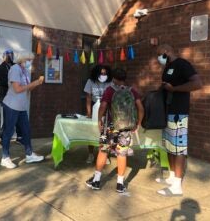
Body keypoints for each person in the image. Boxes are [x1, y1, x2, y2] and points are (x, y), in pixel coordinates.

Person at [86, 68, 144, 192]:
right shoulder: (132, 91)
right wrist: (138, 123)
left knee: (103, 151)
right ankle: (120, 184)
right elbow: (140, 107)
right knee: (122, 154)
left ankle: (96, 181)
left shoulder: (110, 90)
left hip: (110, 127)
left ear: (114, 79)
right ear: (125, 78)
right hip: (126, 128)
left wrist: (99, 120)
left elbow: (103, 106)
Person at [155, 44, 202, 197]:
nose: (158, 58)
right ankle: (171, 176)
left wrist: (174, 89)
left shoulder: (182, 64)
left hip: (178, 113)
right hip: (167, 112)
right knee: (169, 146)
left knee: (179, 148)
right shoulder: (168, 66)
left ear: (166, 52)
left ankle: (177, 186)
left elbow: (197, 84)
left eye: (159, 54)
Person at [0, 51, 45, 169]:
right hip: (11, 106)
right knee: (8, 132)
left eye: (31, 60)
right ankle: (5, 158)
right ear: (22, 59)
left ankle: (29, 154)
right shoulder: (15, 69)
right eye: (28, 60)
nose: (30, 62)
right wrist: (34, 82)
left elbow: (27, 89)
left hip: (21, 107)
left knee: (26, 131)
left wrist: (37, 83)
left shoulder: (24, 71)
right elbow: (17, 89)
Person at [83, 64, 111, 163]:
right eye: (101, 73)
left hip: (106, 108)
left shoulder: (109, 82)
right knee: (92, 131)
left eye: (105, 73)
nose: (103, 75)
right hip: (95, 106)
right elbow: (88, 97)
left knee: (105, 133)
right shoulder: (90, 82)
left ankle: (105, 154)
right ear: (96, 74)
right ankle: (91, 154)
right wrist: (89, 112)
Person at [0, 49, 22, 142]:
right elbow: (1, 82)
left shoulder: (16, 66)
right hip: (6, 97)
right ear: (4, 56)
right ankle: (4, 138)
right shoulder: (0, 68)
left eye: (11, 55)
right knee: (8, 118)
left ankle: (20, 137)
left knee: (19, 117)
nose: (10, 57)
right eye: (8, 55)